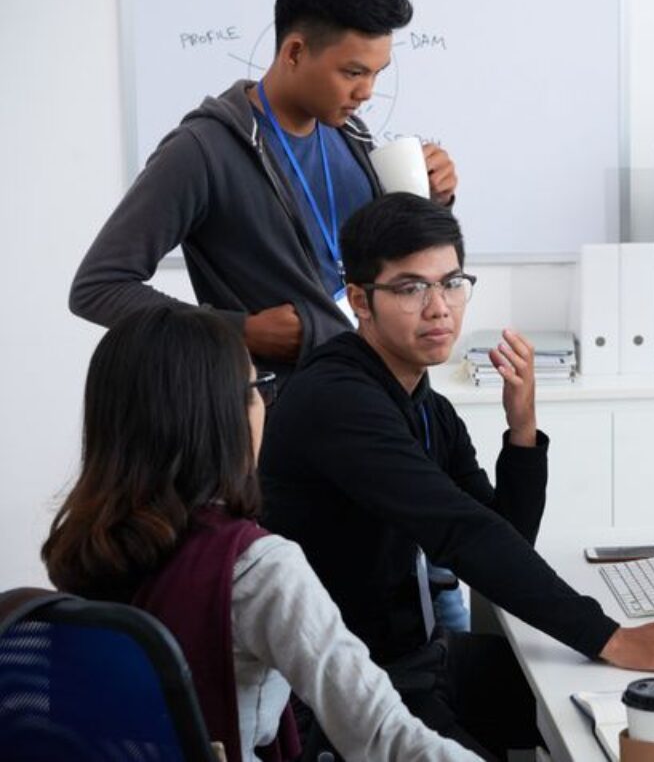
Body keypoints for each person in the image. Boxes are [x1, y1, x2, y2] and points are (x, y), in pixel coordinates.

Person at [258, 193, 654, 760]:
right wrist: (610, 636)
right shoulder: (340, 402)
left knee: (604, 701)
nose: (439, 308)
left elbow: (502, 532)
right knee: (589, 704)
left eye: (452, 283)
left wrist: (521, 426)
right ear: (360, 300)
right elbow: (464, 536)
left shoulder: (421, 401)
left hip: (417, 660)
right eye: (410, 288)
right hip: (348, 689)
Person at [41, 306, 480, 762]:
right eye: (257, 390)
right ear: (219, 416)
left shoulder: (85, 543)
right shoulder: (257, 569)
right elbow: (380, 736)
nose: (264, 407)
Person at [68, 0, 458, 384]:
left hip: (371, 393)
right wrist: (240, 331)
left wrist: (435, 203)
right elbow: (98, 287)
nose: (366, 92)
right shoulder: (202, 150)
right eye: (353, 72)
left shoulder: (353, 138)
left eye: (376, 74)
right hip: (278, 423)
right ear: (293, 52)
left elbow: (391, 268)